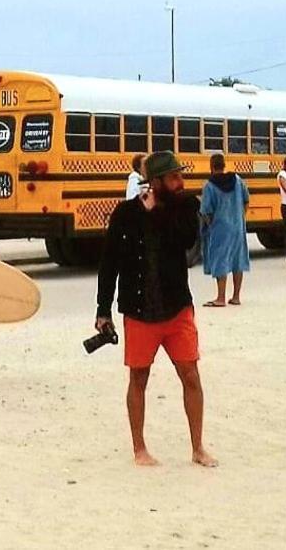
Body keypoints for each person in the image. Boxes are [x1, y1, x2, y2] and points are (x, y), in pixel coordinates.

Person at [96, 151, 218, 468]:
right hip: (138, 310)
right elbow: (109, 263)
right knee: (138, 377)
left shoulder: (187, 207)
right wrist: (103, 309)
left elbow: (184, 240)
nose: (181, 182)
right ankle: (139, 449)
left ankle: (197, 447)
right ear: (157, 181)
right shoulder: (124, 214)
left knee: (191, 375)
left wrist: (154, 215)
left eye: (181, 176)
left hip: (177, 308)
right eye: (175, 177)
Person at [200, 154, 251, 307]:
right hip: (237, 225)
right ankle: (236, 296)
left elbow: (206, 211)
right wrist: (239, 216)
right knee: (238, 259)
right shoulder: (237, 180)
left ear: (211, 166)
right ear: (224, 165)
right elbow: (246, 200)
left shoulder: (209, 185)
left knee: (220, 260)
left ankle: (220, 298)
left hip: (220, 228)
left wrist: (211, 224)